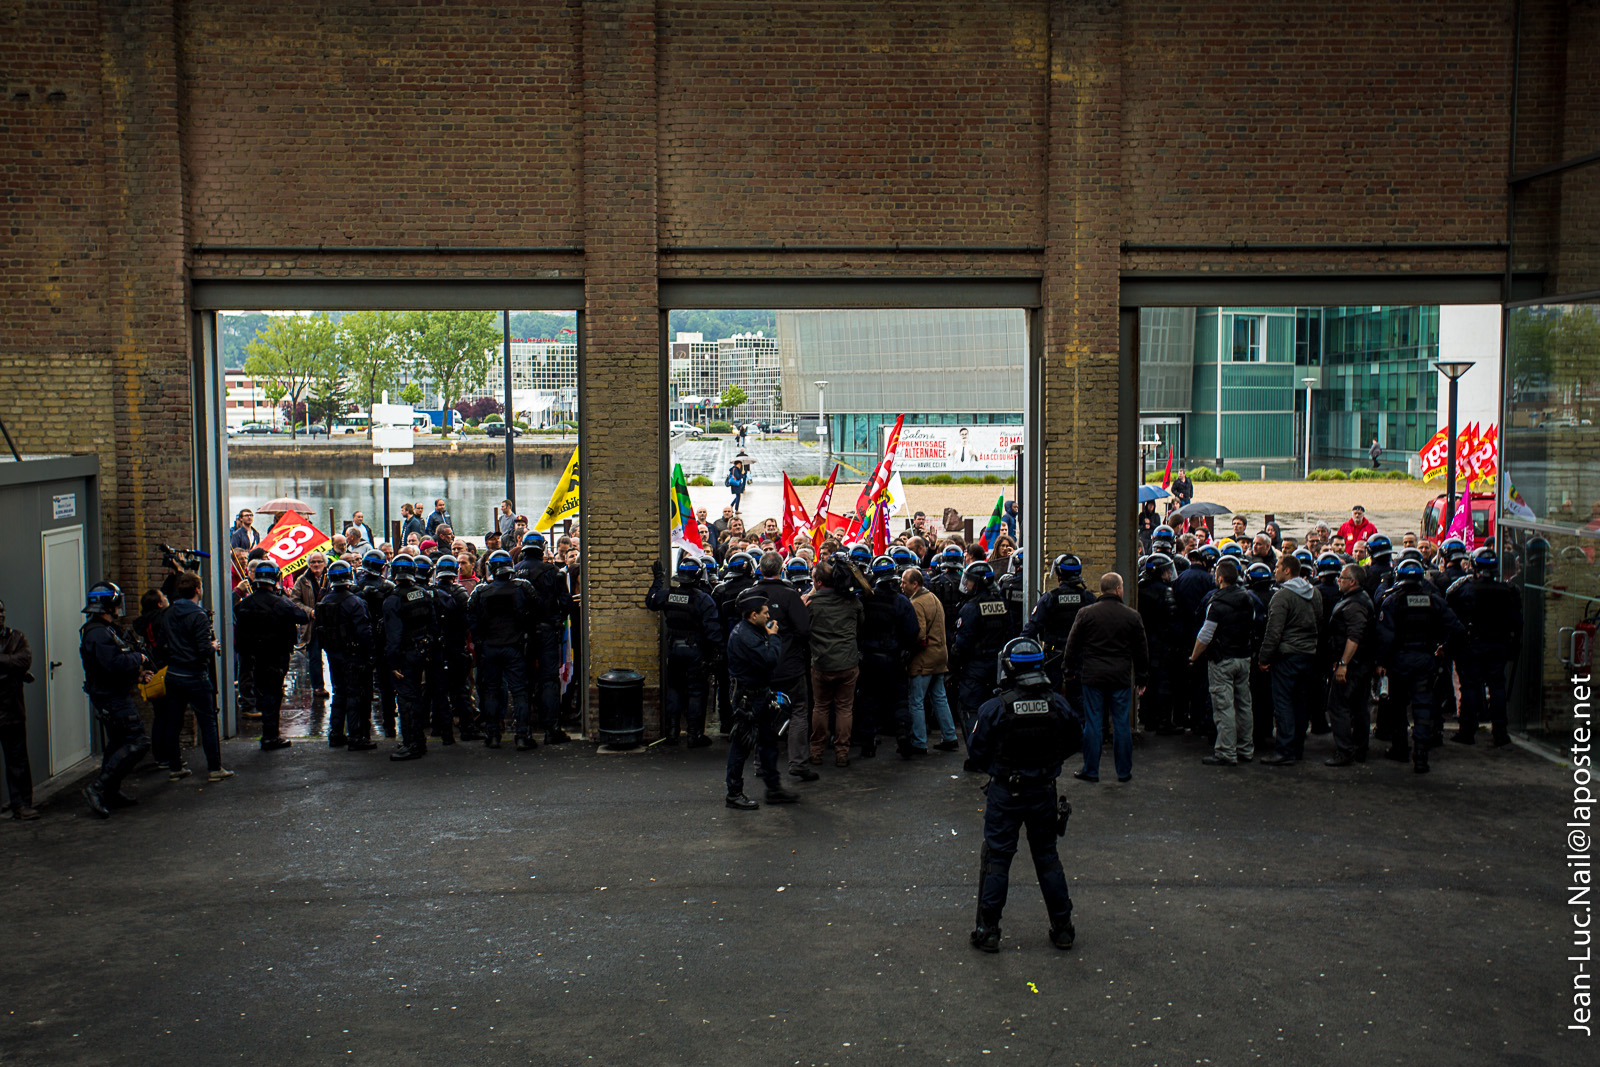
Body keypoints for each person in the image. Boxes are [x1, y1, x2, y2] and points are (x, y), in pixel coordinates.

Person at [965, 637, 1081, 954]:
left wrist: (1001, 767)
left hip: (1006, 790)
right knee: (1047, 856)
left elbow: (976, 752)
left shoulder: (995, 708)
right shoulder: (1058, 704)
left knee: (997, 859)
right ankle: (1063, 928)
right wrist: (1047, 764)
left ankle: (988, 931)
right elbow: (1075, 740)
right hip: (1042, 789)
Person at [1376, 558, 1465, 773]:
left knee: (1398, 707)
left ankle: (1400, 749)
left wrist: (1381, 663)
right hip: (1425, 661)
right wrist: (1444, 649)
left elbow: (1384, 638)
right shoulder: (1434, 601)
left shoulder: (1392, 601)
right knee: (1423, 709)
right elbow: (1457, 629)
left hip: (1399, 662)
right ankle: (1421, 757)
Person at [1061, 573, 1148, 784]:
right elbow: (1141, 650)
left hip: (1093, 676)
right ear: (1118, 589)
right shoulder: (1132, 616)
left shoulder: (1086, 614)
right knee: (1121, 724)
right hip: (1120, 677)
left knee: (1093, 723)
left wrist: (1068, 669)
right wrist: (1142, 677)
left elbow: (1072, 645)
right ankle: (1123, 771)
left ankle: (1091, 770)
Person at [78, 582, 152, 817]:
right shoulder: (98, 633)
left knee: (119, 743)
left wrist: (136, 676)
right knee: (137, 741)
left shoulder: (104, 630)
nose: (120, 606)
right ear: (109, 604)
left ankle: (110, 791)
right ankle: (99, 788)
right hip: (111, 698)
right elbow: (112, 664)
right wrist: (138, 659)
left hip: (112, 693)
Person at [724, 593, 800, 809]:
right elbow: (770, 659)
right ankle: (734, 793)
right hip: (747, 698)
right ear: (753, 615)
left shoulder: (750, 631)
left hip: (758, 694)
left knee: (768, 742)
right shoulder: (744, 637)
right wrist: (774, 637)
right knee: (742, 745)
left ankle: (773, 788)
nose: (769, 616)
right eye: (765, 613)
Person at [1447, 547, 1522, 748]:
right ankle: (1500, 732)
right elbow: (1517, 622)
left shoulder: (1466, 589)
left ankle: (1467, 731)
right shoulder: (1508, 590)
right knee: (1497, 688)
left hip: (1473, 644)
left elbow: (1453, 613)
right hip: (1498, 645)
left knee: (1470, 687)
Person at [234, 559, 312, 751]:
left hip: (253, 656)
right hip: (275, 656)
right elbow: (301, 616)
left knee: (261, 691)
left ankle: (269, 732)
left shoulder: (246, 604)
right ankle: (270, 736)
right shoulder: (280, 603)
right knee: (273, 695)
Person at [646, 556, 721, 747]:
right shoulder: (703, 599)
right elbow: (713, 631)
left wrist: (657, 580)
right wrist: (716, 654)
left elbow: (650, 602)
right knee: (696, 691)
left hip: (674, 650)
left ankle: (672, 733)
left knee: (674, 689)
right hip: (695, 651)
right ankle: (694, 735)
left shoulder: (667, 595)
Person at [751, 552, 814, 777]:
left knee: (762, 712)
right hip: (789, 664)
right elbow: (804, 630)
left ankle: (761, 763)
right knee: (798, 710)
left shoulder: (750, 595)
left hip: (760, 664)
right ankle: (798, 763)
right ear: (781, 569)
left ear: (760, 569)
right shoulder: (790, 595)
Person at [1256, 554, 1323, 766]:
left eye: (1277, 567)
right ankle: (1297, 748)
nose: (1274, 571)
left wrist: (1264, 658)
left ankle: (1284, 750)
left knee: (1283, 703)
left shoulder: (1282, 596)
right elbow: (1319, 621)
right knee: (1300, 702)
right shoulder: (1314, 593)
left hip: (1286, 656)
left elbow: (1273, 632)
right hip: (1308, 654)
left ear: (1287, 570)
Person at [1191, 559, 1257, 767]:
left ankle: (1226, 751)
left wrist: (1193, 657)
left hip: (1222, 660)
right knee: (1244, 704)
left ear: (1219, 579)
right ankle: (1245, 748)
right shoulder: (1248, 599)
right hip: (1243, 657)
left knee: (1224, 706)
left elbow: (1205, 635)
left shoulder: (1216, 604)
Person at [467, 550, 534, 749]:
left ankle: (493, 735)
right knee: (519, 692)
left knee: (491, 692)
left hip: (490, 648)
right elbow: (532, 613)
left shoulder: (481, 591)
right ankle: (522, 736)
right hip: (514, 647)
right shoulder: (521, 588)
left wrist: (480, 642)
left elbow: (472, 618)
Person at [513, 532, 573, 745]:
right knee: (549, 680)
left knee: (523, 683)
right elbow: (566, 603)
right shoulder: (552, 572)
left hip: (520, 634)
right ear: (542, 548)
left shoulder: (513, 572)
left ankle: (523, 733)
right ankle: (551, 730)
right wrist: (557, 620)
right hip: (546, 631)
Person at [857, 555, 919, 758]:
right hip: (893, 658)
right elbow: (913, 631)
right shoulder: (902, 601)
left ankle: (868, 744)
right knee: (899, 699)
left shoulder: (864, 600)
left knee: (869, 700)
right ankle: (903, 736)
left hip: (869, 659)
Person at [807, 556, 866, 767]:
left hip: (821, 663)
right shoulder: (852, 602)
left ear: (818, 582)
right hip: (847, 663)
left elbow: (803, 628)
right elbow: (861, 623)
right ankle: (842, 753)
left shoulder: (811, 604)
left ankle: (816, 751)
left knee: (820, 707)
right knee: (844, 709)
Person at [315, 558, 377, 750]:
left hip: (334, 653)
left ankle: (336, 733)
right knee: (354, 694)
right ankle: (356, 736)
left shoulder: (325, 601)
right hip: (353, 654)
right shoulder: (355, 602)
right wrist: (371, 653)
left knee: (339, 692)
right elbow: (364, 631)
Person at [382, 554, 439, 761]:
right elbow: (433, 626)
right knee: (416, 697)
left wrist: (393, 662)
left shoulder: (393, 600)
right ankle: (418, 741)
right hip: (422, 650)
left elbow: (394, 635)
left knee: (406, 699)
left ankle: (411, 744)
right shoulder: (423, 594)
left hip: (405, 654)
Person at [951, 560, 1015, 731]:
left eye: (970, 580)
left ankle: (976, 742)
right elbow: (1010, 633)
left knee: (971, 709)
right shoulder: (1003, 604)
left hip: (975, 666)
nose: (966, 583)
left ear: (980, 582)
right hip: (998, 665)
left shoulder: (970, 608)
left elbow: (962, 642)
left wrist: (954, 664)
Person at [1323, 564, 1375, 766]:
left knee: (1338, 705)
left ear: (1353, 582)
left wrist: (1343, 663)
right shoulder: (1358, 599)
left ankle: (1345, 751)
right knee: (1359, 706)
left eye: (1342, 578)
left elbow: (1354, 636)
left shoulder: (1355, 604)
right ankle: (1360, 748)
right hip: (1362, 663)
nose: (1339, 581)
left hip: (1353, 665)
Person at [902, 567, 958, 754]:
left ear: (914, 584)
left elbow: (919, 634)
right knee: (939, 698)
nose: (901, 586)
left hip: (923, 660)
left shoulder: (916, 603)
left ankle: (919, 742)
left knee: (916, 701)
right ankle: (950, 736)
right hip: (940, 656)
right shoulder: (933, 598)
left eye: (904, 582)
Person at [1022, 553, 1090, 697]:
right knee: (1080, 701)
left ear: (1059, 573)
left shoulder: (1050, 598)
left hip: (1055, 658)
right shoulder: (1088, 598)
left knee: (1053, 699)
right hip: (1081, 659)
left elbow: (1031, 630)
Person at [430, 555, 477, 744]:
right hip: (456, 646)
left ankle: (441, 730)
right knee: (461, 689)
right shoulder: (460, 593)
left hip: (438, 647)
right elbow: (468, 620)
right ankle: (467, 728)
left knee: (439, 690)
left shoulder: (431, 593)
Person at [1135, 553, 1183, 734]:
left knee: (1146, 681)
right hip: (1162, 644)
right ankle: (1163, 722)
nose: (1170, 574)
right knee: (1164, 683)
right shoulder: (1165, 591)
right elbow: (1172, 620)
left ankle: (1147, 718)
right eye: (1167, 571)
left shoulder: (1139, 588)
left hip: (1144, 642)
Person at [0, 599, 37, 820]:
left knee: (18, 761)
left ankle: (22, 804)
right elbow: (16, 665)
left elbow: (24, 661)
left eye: (2, 611)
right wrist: (10, 667)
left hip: (12, 708)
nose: (0, 615)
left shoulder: (16, 637)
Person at [356, 550, 398, 738]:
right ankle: (389, 726)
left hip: (364, 639)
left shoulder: (356, 586)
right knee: (386, 687)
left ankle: (364, 729)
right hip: (382, 639)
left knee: (364, 686)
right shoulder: (387, 586)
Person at [292, 552, 330, 705]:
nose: (316, 565)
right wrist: (310, 612)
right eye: (313, 562)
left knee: (334, 655)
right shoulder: (302, 580)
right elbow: (294, 601)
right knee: (314, 657)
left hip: (329, 624)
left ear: (324, 563)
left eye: (319, 561)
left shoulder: (330, 578)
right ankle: (318, 687)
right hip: (312, 625)